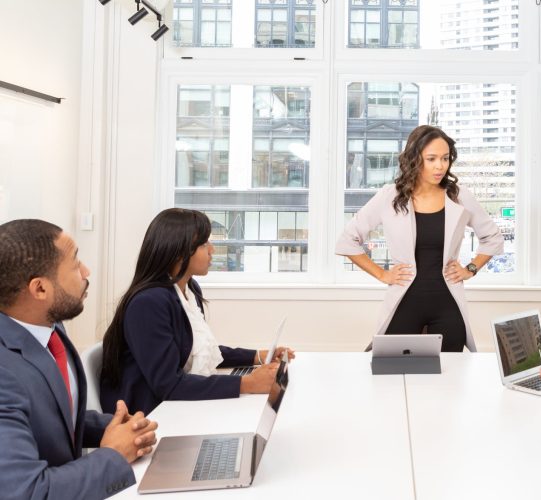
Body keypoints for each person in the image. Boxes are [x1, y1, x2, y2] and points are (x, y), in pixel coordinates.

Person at [0, 219, 158, 500]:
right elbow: (27, 492)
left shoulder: (49, 326)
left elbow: (52, 414)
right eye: (75, 264)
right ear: (40, 290)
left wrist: (120, 429)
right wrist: (114, 454)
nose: (86, 271)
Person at [100, 208, 293, 415]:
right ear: (177, 251)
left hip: (176, 402)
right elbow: (167, 384)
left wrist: (257, 356)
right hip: (150, 414)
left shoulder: (189, 289)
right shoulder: (148, 303)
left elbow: (195, 350)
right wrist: (246, 384)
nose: (212, 250)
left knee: (272, 396)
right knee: (264, 401)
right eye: (203, 244)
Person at [336, 125, 504, 352]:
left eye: (445, 158)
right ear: (415, 159)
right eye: (431, 158)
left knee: (448, 377)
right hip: (405, 302)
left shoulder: (459, 196)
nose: (440, 166)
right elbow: (348, 240)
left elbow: (492, 237)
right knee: (392, 374)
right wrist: (382, 274)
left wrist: (471, 268)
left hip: (448, 305)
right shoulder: (390, 196)